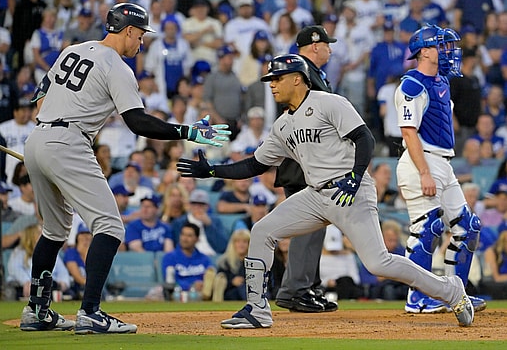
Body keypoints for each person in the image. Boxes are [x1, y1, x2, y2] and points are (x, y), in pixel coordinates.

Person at [177, 53, 475, 329]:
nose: (272, 86)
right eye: (270, 81)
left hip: (350, 191)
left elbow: (364, 138)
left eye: (277, 79)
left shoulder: (329, 102)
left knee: (377, 263)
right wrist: (213, 171)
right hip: (316, 195)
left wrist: (356, 176)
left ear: (298, 78)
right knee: (262, 231)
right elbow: (255, 165)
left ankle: (450, 290)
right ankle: (257, 309)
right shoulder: (282, 125)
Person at [19, 3, 230, 334]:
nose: (142, 42)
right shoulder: (116, 66)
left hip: (38, 139)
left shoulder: (72, 50)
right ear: (129, 30)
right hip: (69, 142)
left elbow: (41, 92)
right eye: (141, 35)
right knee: (110, 227)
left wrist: (48, 132)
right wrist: (187, 131)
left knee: (55, 231)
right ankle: (90, 311)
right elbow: (137, 122)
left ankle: (36, 310)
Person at [394, 24, 486, 315]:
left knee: (468, 228)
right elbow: (409, 133)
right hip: (420, 160)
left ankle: (455, 294)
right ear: (424, 52)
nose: (448, 52)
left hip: (443, 162)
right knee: (428, 229)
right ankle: (417, 297)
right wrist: (424, 172)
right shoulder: (412, 84)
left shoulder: (441, 81)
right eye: (441, 46)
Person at [275, 25, 338, 314]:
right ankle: (295, 290)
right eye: (327, 44)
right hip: (303, 164)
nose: (330, 49)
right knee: (307, 227)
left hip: (310, 163)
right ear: (315, 45)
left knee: (316, 226)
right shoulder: (299, 73)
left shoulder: (311, 74)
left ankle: (308, 286)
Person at [7, 224, 71, 300]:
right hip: (25, 288)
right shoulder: (19, 252)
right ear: (30, 236)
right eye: (39, 233)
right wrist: (26, 281)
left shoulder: (50, 252)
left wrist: (62, 283)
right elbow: (15, 269)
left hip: (50, 288)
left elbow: (62, 271)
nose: (43, 236)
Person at [215, 229, 251, 301]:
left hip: (248, 291)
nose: (241, 245)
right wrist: (232, 282)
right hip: (230, 293)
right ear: (233, 244)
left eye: (244, 242)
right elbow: (221, 281)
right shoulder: (224, 262)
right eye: (238, 242)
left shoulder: (254, 262)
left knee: (242, 288)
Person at [63, 224, 93, 300]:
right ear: (77, 236)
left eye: (88, 233)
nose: (85, 236)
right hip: (74, 289)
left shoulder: (95, 254)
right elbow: (76, 276)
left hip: (90, 289)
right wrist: (93, 287)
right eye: (82, 233)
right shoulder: (71, 252)